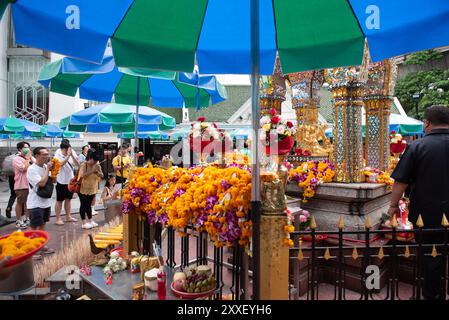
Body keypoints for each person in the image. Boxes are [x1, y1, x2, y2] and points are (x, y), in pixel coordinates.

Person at [389, 105, 449, 300]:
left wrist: (392, 205)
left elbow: (401, 181)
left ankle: (432, 295)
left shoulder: (417, 146)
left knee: (431, 257)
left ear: (427, 123)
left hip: (427, 214)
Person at [27, 147, 55, 259]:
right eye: (44, 154)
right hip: (35, 203)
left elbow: (52, 181)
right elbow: (42, 183)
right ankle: (30, 250)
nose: (47, 156)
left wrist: (53, 170)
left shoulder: (44, 167)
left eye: (47, 154)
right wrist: (48, 169)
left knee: (42, 225)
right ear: (37, 155)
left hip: (45, 202)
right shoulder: (32, 169)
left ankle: (40, 245)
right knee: (34, 227)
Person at [54, 140, 79, 225]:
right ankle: (58, 218)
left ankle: (68, 216)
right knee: (59, 200)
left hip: (70, 181)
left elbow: (78, 164)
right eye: (66, 150)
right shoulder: (58, 153)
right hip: (61, 180)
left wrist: (72, 155)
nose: (68, 151)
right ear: (62, 149)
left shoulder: (71, 151)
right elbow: (60, 164)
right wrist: (68, 155)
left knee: (68, 199)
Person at [78, 149, 103, 229]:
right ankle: (84, 222)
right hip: (83, 188)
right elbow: (82, 176)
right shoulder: (84, 165)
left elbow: (102, 175)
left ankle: (90, 220)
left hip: (93, 188)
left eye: (96, 161)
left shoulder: (97, 165)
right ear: (90, 158)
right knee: (83, 205)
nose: (95, 163)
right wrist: (92, 171)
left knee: (89, 205)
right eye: (94, 161)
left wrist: (97, 172)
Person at [12, 141, 33, 229]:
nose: (27, 149)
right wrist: (28, 159)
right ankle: (18, 220)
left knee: (28, 203)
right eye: (25, 147)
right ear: (20, 149)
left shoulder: (28, 158)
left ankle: (26, 218)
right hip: (21, 185)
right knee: (20, 202)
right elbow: (23, 169)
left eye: (28, 147)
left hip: (29, 184)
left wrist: (29, 158)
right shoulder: (17, 159)